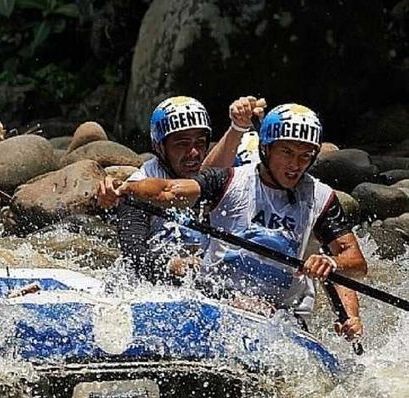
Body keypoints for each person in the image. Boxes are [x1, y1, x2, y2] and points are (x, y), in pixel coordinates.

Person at [98, 104, 365, 340]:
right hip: (218, 302)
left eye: (305, 155)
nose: (295, 164)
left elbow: (354, 262)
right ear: (266, 149)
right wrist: (125, 189)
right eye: (287, 152)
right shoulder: (226, 181)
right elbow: (168, 190)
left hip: (282, 316)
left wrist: (336, 277)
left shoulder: (321, 197)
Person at [98, 96, 266, 284]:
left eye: (200, 143)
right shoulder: (138, 186)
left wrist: (239, 126)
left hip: (204, 281)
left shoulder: (211, 180)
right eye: (182, 144)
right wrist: (171, 265)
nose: (193, 153)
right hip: (155, 283)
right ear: (159, 147)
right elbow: (133, 255)